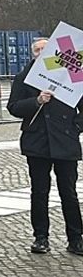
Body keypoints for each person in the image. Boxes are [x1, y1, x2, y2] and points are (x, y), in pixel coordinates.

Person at [7, 37, 83, 255]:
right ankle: (41, 238)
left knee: (68, 192)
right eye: (37, 50)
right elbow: (13, 107)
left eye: (45, 49)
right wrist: (37, 102)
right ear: (33, 54)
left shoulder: (72, 76)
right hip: (37, 142)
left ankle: (76, 238)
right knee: (39, 192)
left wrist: (75, 127)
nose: (41, 53)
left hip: (65, 142)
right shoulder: (24, 77)